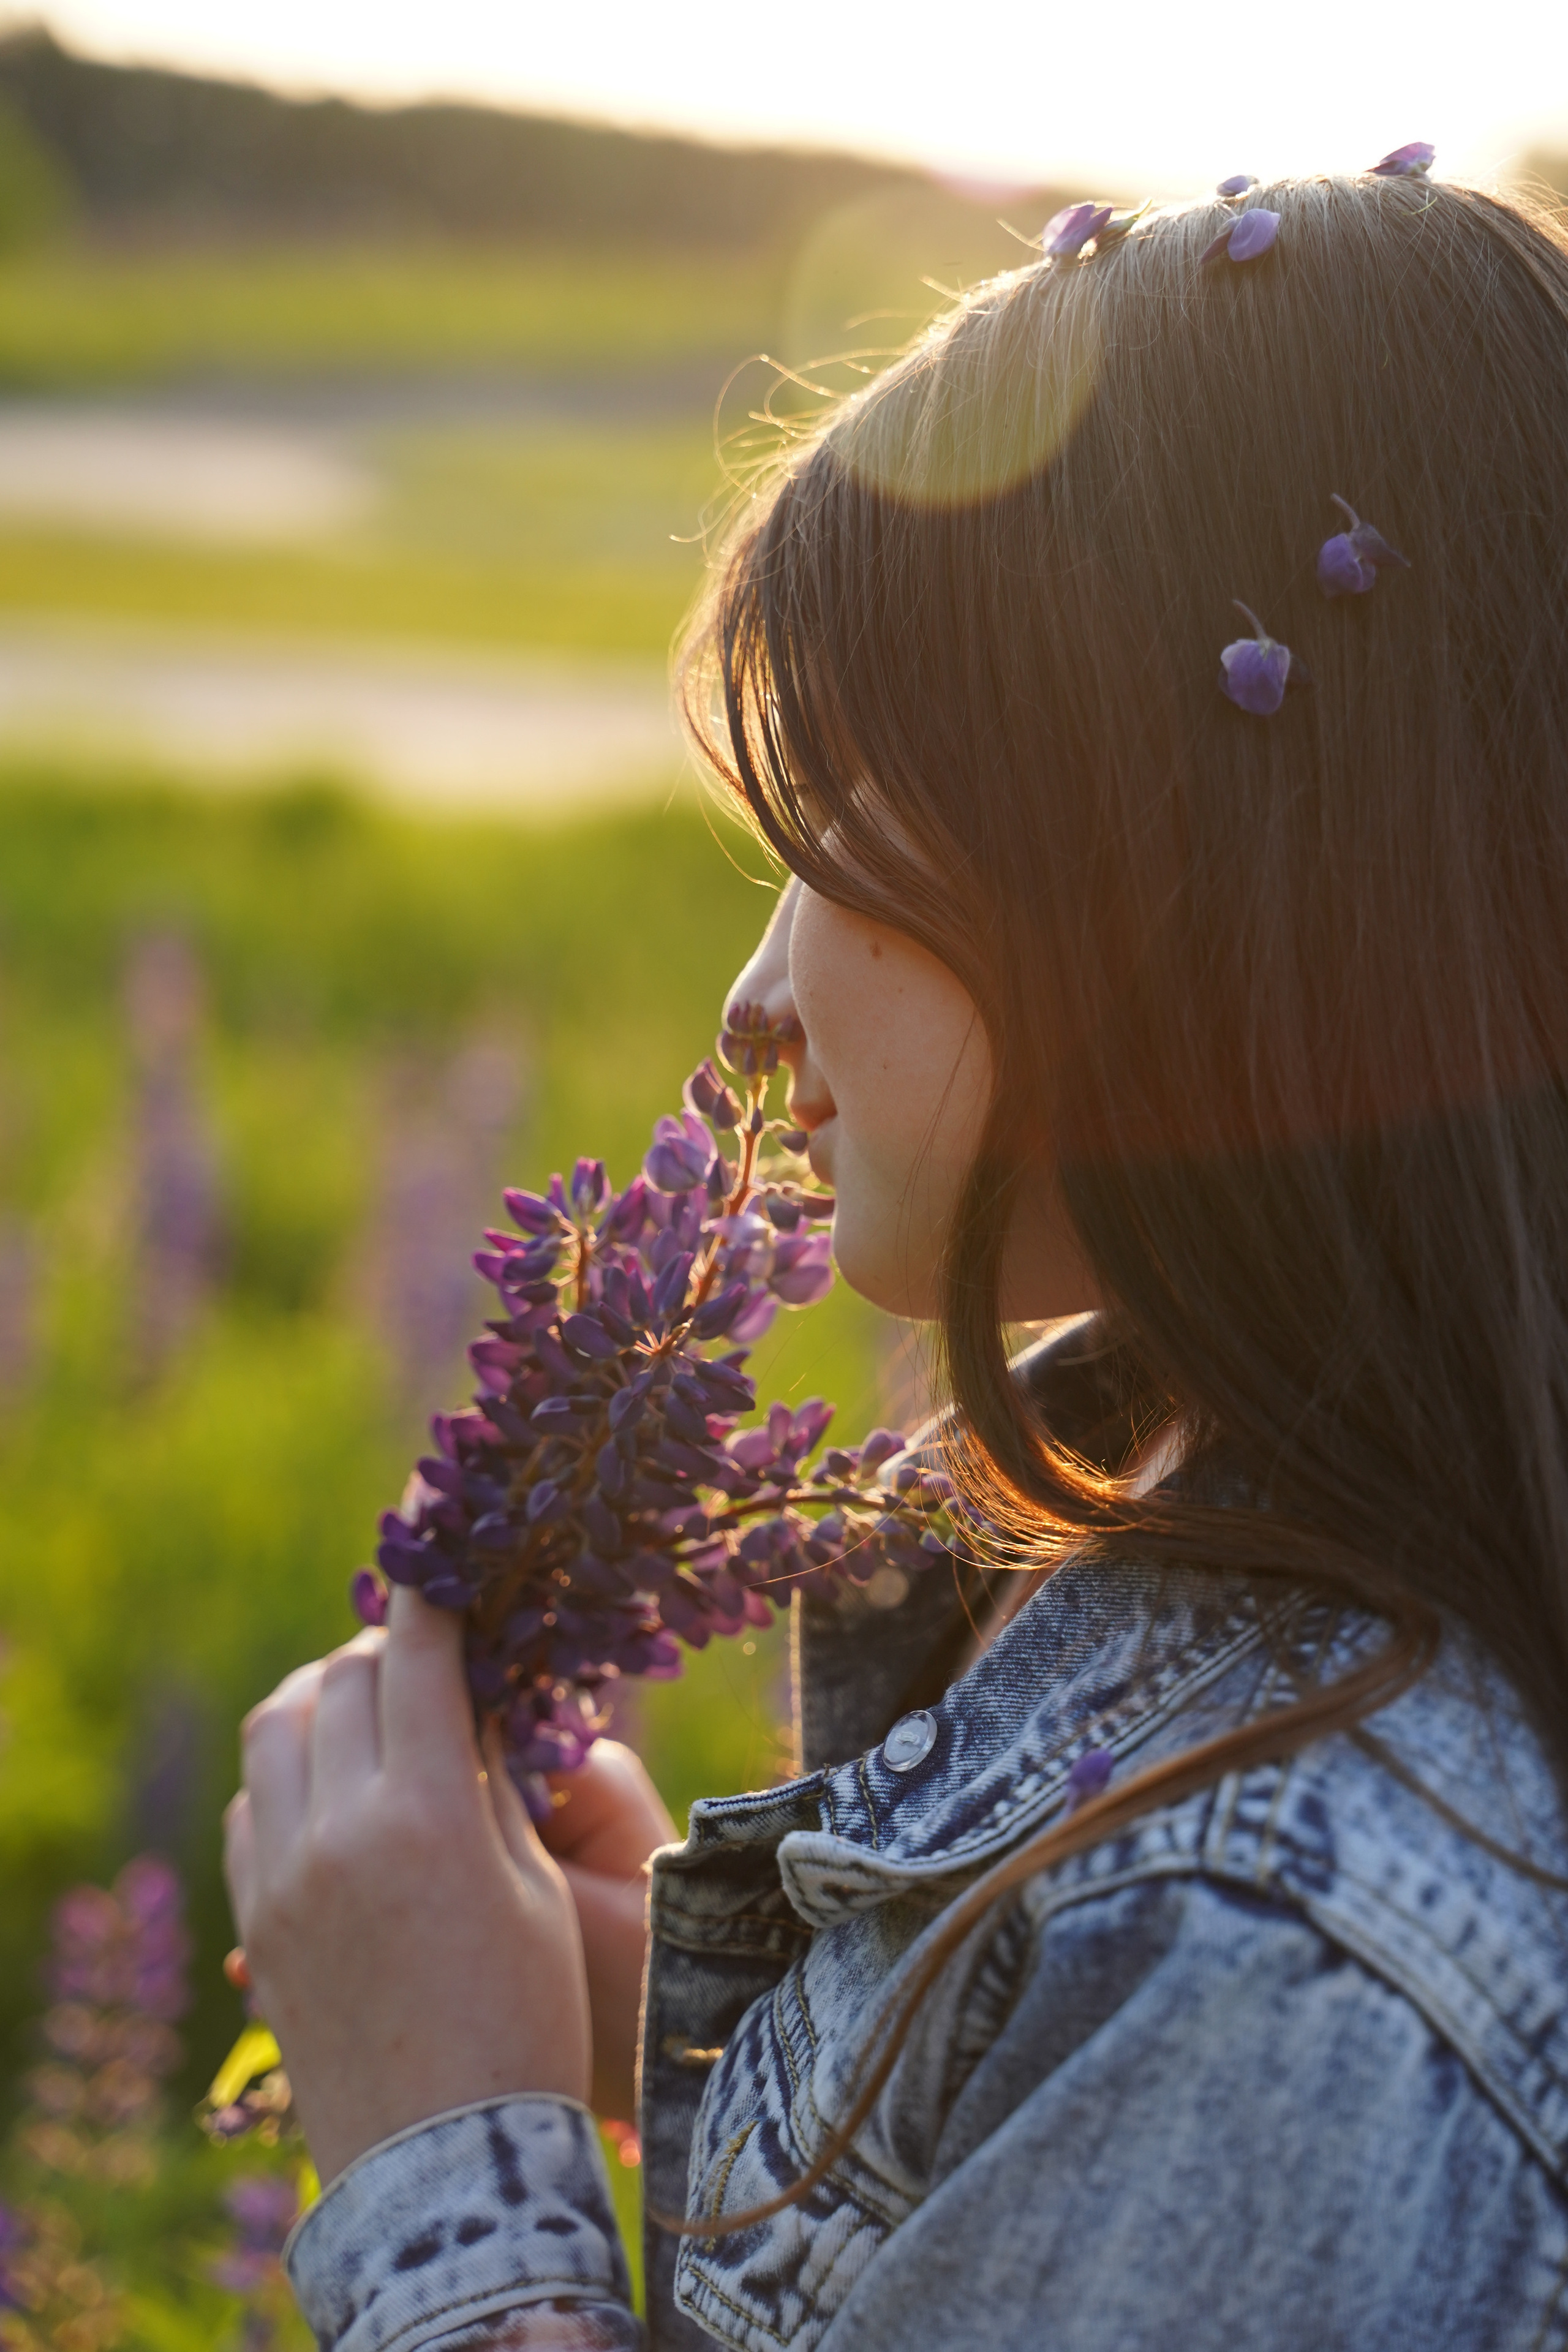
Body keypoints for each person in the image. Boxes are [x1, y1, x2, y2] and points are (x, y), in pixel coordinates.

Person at [224, 170, 1568, 2350]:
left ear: (1183, 888)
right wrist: (661, 2043)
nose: (759, 1001)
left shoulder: (1280, 1969)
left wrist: (445, 2177)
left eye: (839, 837)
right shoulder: (1233, 1668)